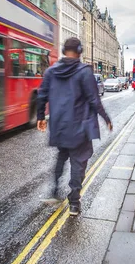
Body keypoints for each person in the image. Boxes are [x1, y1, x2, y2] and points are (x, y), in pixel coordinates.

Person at [37, 37, 112, 216]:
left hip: (60, 126)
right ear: (79, 51)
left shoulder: (51, 71)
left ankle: (54, 191)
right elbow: (94, 100)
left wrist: (41, 117)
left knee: (61, 157)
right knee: (78, 164)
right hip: (80, 127)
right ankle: (74, 203)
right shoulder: (84, 72)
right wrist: (106, 118)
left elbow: (41, 96)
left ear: (64, 50)